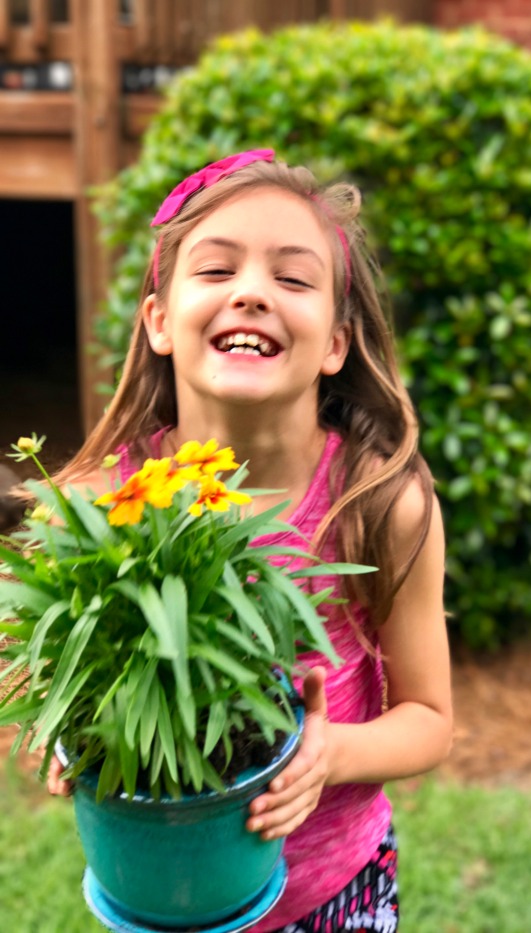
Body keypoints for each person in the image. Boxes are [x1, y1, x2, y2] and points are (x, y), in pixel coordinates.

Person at [48, 149, 452, 932]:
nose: (252, 294)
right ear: (160, 321)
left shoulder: (378, 504)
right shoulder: (103, 501)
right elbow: (52, 677)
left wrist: (329, 752)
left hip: (333, 892)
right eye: (217, 270)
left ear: (336, 343)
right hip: (155, 894)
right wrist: (67, 745)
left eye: (293, 279)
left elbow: (429, 716)